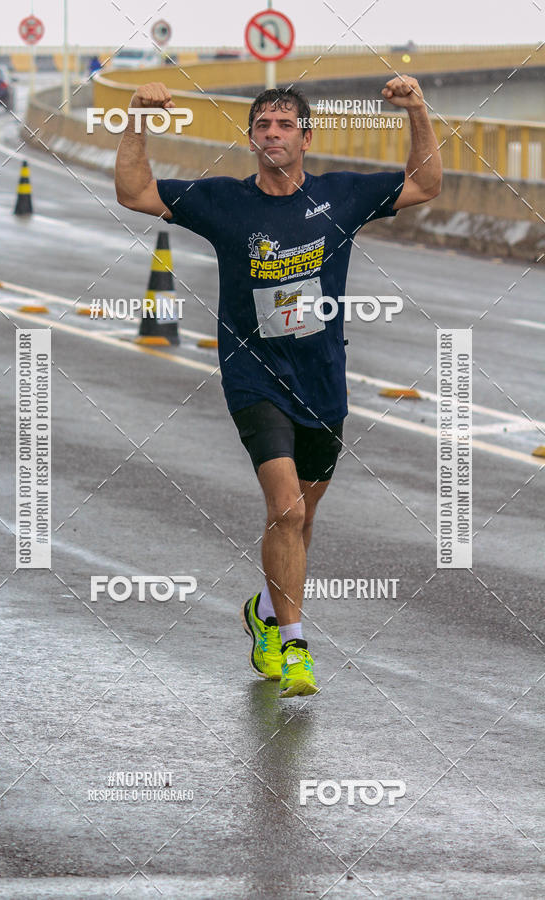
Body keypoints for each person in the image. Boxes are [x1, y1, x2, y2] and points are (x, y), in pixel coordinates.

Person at [115, 77, 442, 698]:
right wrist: (137, 118)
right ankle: (295, 649)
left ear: (305, 137)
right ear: (250, 139)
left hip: (322, 383)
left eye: (283, 125)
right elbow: (134, 191)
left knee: (300, 520)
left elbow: (425, 184)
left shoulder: (342, 196)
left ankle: (265, 616)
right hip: (252, 377)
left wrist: (418, 111)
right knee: (286, 509)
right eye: (262, 126)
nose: (272, 134)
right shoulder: (224, 203)